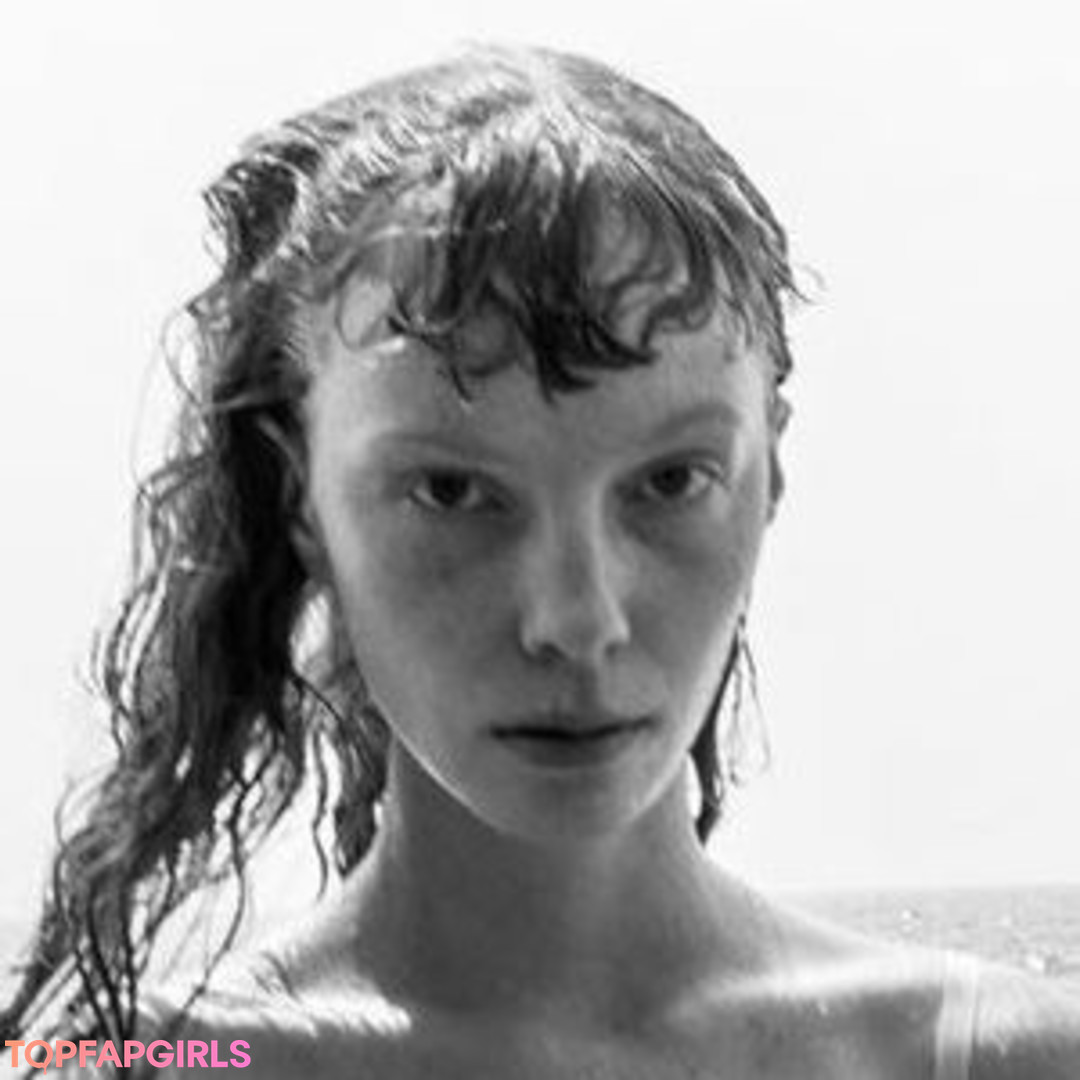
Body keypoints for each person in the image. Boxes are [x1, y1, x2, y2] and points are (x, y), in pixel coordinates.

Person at [3, 43, 1079, 1079]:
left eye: (670, 480)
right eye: (452, 491)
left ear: (770, 472)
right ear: (300, 495)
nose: (577, 617)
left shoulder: (1006, 1061)